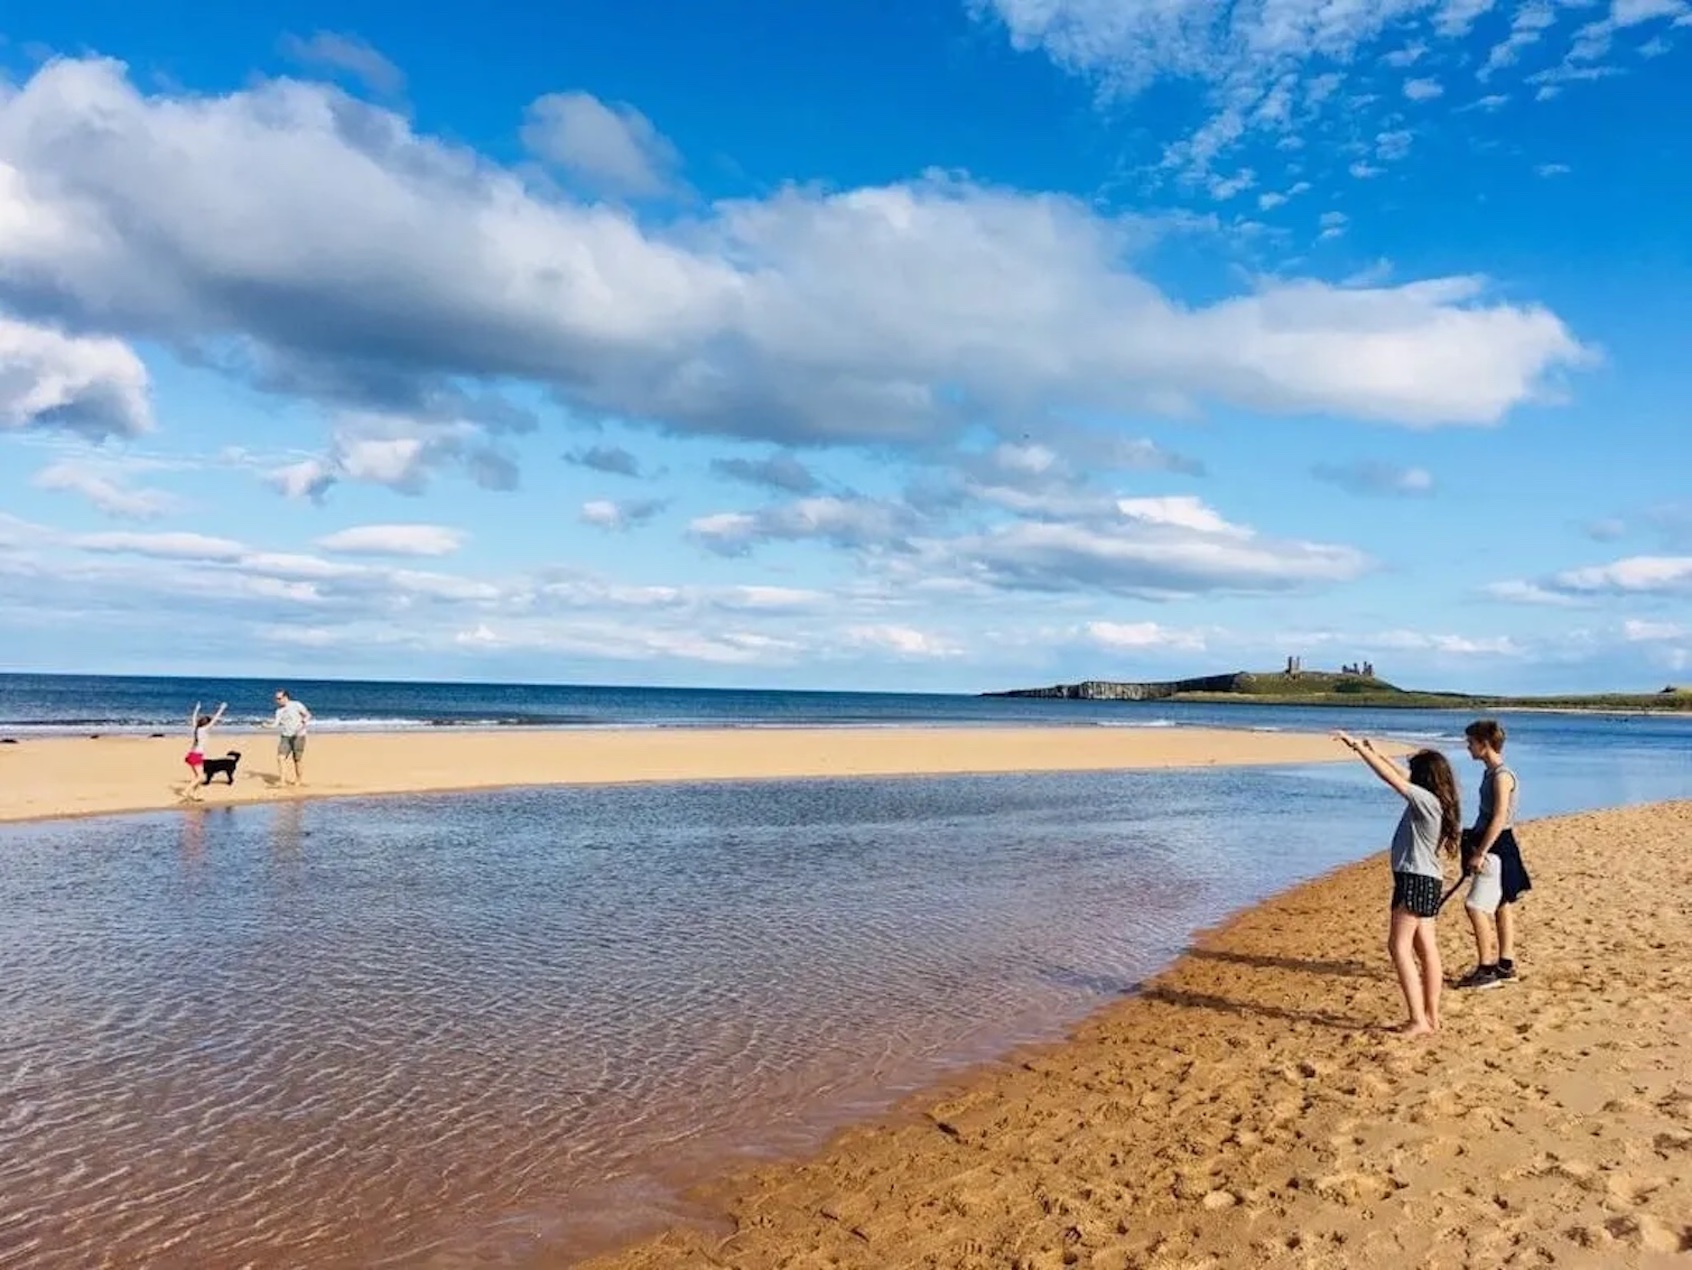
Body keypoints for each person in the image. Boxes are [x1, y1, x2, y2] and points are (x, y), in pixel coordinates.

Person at [1335, 732, 1462, 1037]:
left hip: (1415, 878)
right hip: (1428, 878)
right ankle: (1431, 1016)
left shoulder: (1425, 800)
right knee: (1425, 947)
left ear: (1425, 777)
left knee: (1399, 947)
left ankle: (1418, 1019)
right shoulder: (1437, 799)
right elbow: (1401, 774)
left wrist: (1358, 750)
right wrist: (1376, 750)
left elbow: (1392, 780)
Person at [1456, 719, 1533, 989]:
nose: (1468, 747)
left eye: (1471, 743)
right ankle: (1505, 964)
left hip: (1497, 844)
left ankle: (1487, 968)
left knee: (1475, 906)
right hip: (1498, 842)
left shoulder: (1501, 775)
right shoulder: (1491, 772)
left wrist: (1480, 852)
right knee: (1502, 903)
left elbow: (1499, 817)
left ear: (1484, 744)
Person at [180, 701, 227, 802]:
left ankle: (193, 794)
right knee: (200, 777)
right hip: (196, 756)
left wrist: (196, 709)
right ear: (206, 724)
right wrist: (221, 709)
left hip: (191, 755)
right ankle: (185, 791)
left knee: (198, 776)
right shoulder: (204, 730)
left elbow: (193, 719)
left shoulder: (196, 729)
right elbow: (214, 720)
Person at [268, 689, 312, 786]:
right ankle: (282, 781)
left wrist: (303, 722)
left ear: (285, 697)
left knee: (297, 759)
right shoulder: (279, 711)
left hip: (298, 736)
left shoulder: (296, 705)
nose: (277, 700)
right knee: (280, 758)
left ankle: (298, 780)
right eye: (276, 699)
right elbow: (275, 724)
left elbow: (308, 715)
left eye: (279, 698)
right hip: (285, 737)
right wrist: (266, 726)